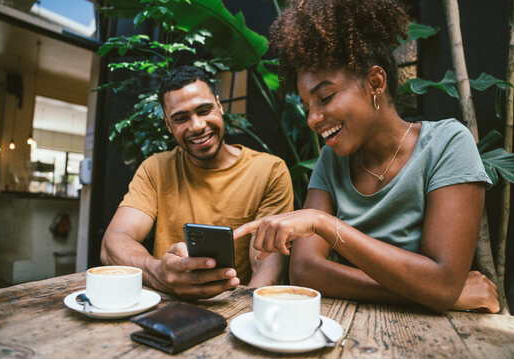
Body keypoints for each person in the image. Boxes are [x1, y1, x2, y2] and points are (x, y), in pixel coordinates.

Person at [234, 0, 500, 313]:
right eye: (307, 107)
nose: (312, 119)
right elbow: (306, 271)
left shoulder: (446, 144)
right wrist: (435, 293)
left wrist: (324, 224)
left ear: (375, 82)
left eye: (325, 97)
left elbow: (441, 281)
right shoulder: (331, 161)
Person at [101, 65, 293, 299]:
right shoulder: (155, 168)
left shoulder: (269, 170)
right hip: (166, 306)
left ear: (219, 106)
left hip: (234, 308)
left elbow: (266, 268)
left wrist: (242, 317)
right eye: (181, 118)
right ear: (168, 125)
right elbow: (113, 242)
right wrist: (159, 272)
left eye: (204, 110)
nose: (197, 126)